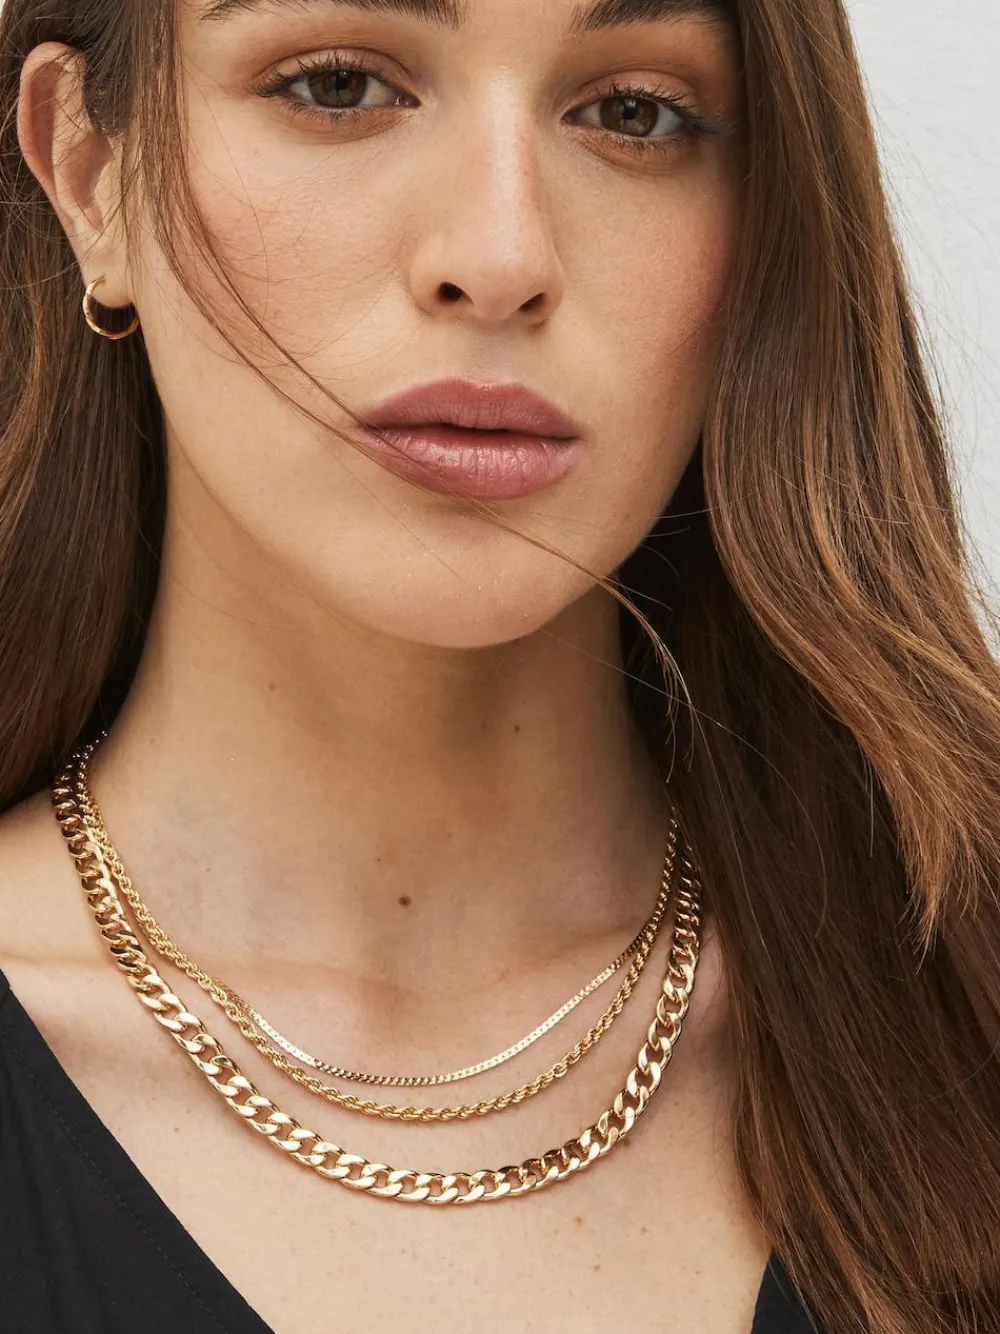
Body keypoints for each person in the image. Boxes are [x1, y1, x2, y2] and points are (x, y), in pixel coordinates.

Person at [0, 0, 997, 1330]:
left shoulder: (966, 1015)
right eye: (339, 85)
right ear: (89, 170)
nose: (500, 256)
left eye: (633, 112)